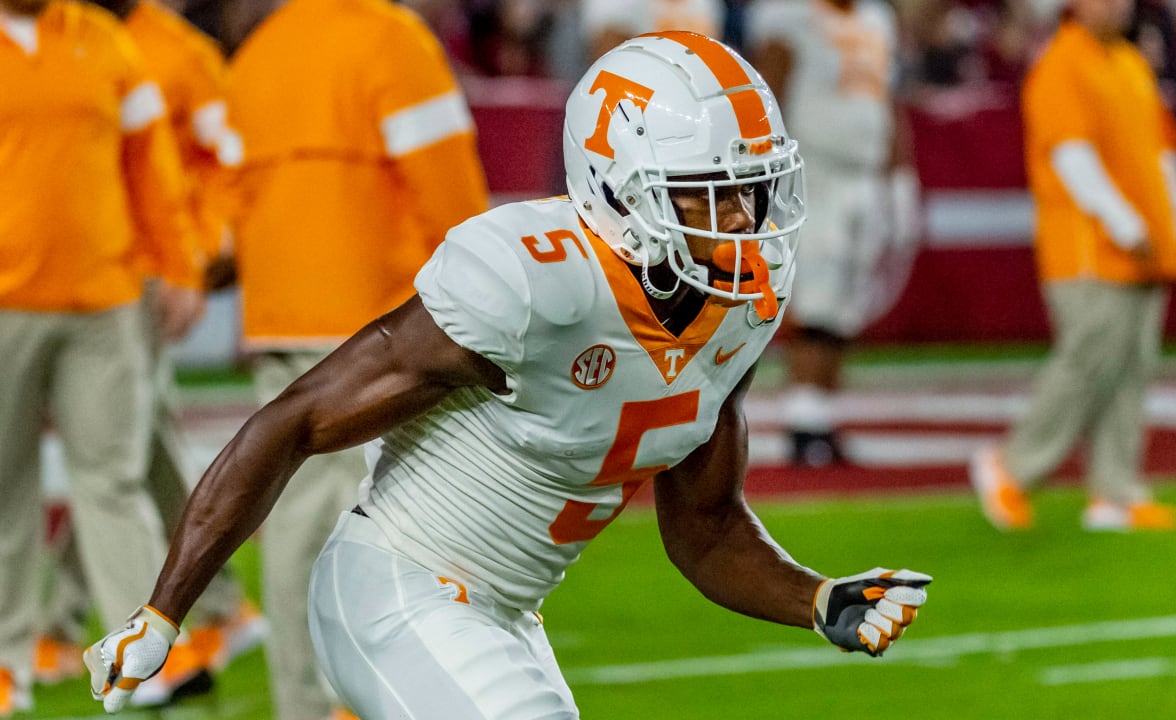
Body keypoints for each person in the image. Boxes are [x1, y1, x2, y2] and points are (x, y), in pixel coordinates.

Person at [85, 32, 932, 718]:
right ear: (622, 190)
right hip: (398, 587)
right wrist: (165, 610)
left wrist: (817, 598)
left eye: (750, 191)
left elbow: (706, 528)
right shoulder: (534, 280)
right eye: (708, 195)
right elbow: (297, 420)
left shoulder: (740, 308)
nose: (743, 222)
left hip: (502, 614)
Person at [212, 0, 489, 717]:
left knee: (298, 517)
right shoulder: (389, 38)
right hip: (382, 322)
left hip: (281, 313)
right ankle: (356, 695)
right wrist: (487, 295)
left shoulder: (260, 50)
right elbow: (450, 190)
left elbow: (229, 194)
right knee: (394, 520)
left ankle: (307, 697)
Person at [31, 0, 267, 704]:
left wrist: (195, 257)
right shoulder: (58, 36)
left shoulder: (179, 54)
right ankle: (220, 602)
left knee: (112, 453)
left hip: (139, 273)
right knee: (130, 445)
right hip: (75, 269)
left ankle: (68, 621)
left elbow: (227, 162)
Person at [0, 0, 204, 715]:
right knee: (2, 487)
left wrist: (180, 264)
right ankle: (4, 661)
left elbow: (153, 164)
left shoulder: (108, 42)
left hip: (105, 300)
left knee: (113, 479)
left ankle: (142, 653)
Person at [969, 0, 1176, 532]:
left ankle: (1114, 491)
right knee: (1087, 363)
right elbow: (1069, 155)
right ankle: (1011, 466)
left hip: (1146, 244)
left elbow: (1160, 151)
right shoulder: (1060, 63)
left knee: (1133, 367)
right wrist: (1124, 224)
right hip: (1087, 247)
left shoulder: (1128, 61)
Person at [748, 0, 922, 466]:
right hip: (813, 172)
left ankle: (822, 417)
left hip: (863, 173)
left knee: (846, 308)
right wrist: (766, 179)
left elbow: (887, 102)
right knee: (815, 302)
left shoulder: (875, 19)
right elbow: (766, 100)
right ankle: (803, 423)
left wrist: (901, 177)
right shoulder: (788, 17)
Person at [581, 0, 723, 62]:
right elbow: (607, 62)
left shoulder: (707, 4)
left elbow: (710, 52)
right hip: (640, 94)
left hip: (694, 90)